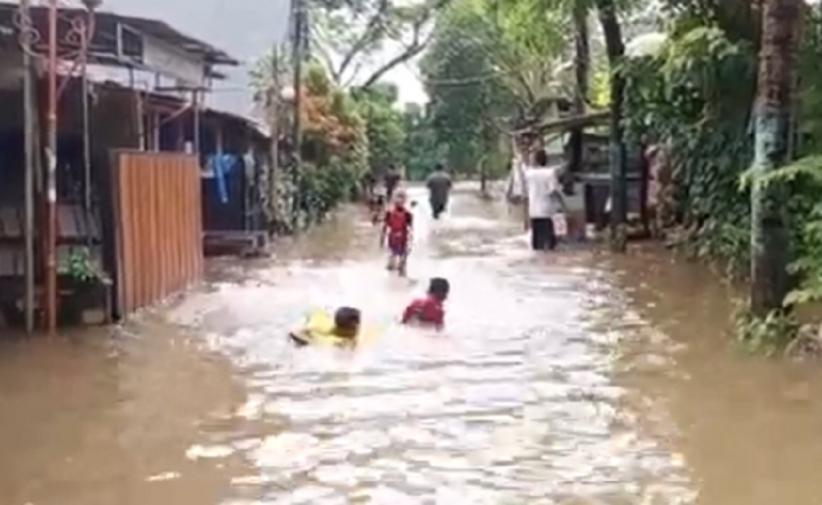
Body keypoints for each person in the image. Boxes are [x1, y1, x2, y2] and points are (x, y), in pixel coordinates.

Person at [519, 149, 565, 251]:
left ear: (535, 160)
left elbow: (523, 167)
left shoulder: (529, 174)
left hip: (534, 212)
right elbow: (554, 191)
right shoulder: (550, 173)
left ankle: (537, 263)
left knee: (536, 243)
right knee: (549, 243)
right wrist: (563, 205)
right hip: (547, 212)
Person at [289, 307, 361, 347]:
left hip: (317, 313)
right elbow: (294, 332)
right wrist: (312, 342)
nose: (359, 326)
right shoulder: (336, 341)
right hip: (310, 320)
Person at [381, 189, 414, 276]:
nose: (399, 200)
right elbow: (385, 226)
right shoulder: (390, 212)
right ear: (393, 199)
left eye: (402, 198)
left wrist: (410, 242)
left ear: (405, 200)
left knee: (401, 258)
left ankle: (399, 273)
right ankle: (393, 272)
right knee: (393, 256)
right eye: (398, 197)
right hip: (394, 237)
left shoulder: (407, 214)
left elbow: (410, 229)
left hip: (402, 237)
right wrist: (382, 239)